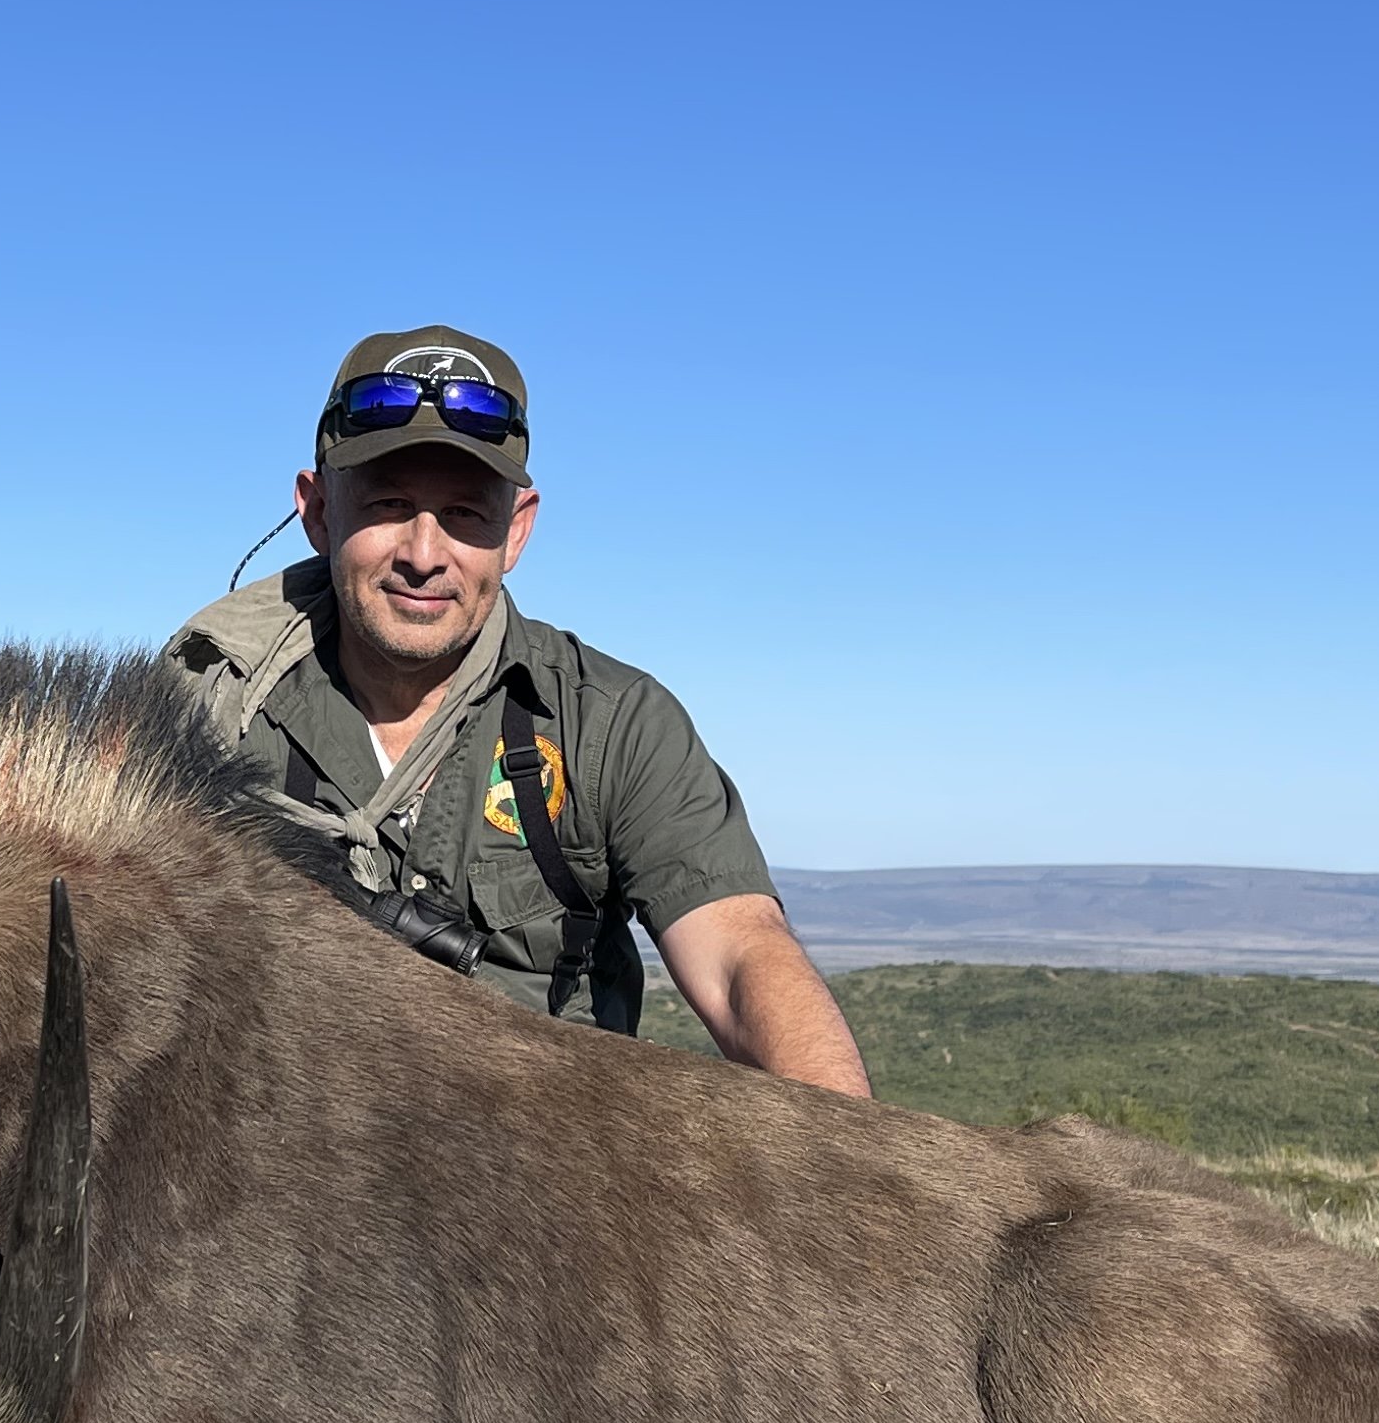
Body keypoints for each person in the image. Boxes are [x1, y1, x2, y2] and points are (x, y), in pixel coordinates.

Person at [166, 327, 874, 1098]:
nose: (425, 553)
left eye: (467, 514)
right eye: (389, 504)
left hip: (543, 1170)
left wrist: (851, 1166)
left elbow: (740, 954)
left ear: (518, 529)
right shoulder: (203, 705)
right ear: (318, 512)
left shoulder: (614, 722)